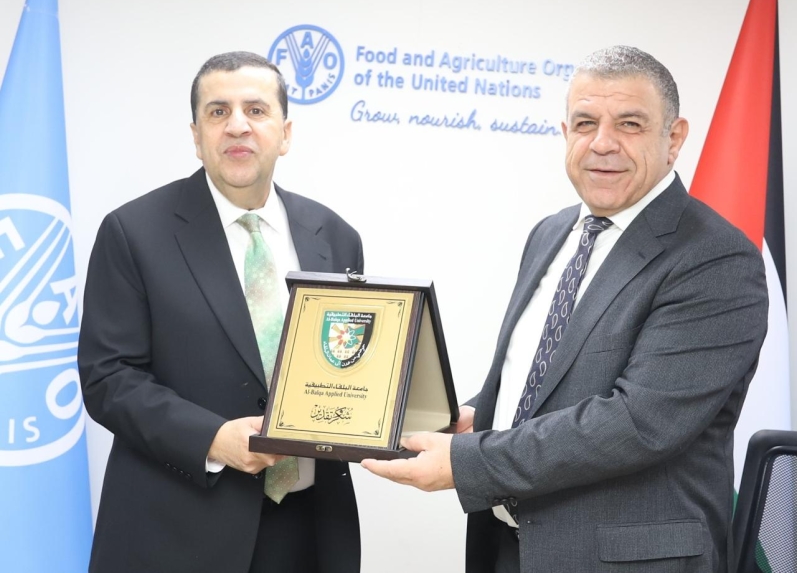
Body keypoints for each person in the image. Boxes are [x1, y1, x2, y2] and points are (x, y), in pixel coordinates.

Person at [362, 45, 768, 572]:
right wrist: (482, 414)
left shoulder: (716, 258)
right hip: (508, 547)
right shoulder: (552, 232)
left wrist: (467, 463)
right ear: (565, 132)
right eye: (585, 123)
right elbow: (546, 371)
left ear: (674, 138)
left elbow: (638, 422)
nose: (603, 143)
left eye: (629, 124)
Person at [78, 51, 363, 573]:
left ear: (285, 133)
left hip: (310, 529)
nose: (237, 126)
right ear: (196, 135)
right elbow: (108, 378)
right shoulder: (134, 232)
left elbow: (348, 366)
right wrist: (212, 439)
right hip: (178, 531)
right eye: (217, 112)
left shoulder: (336, 237)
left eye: (255, 110)